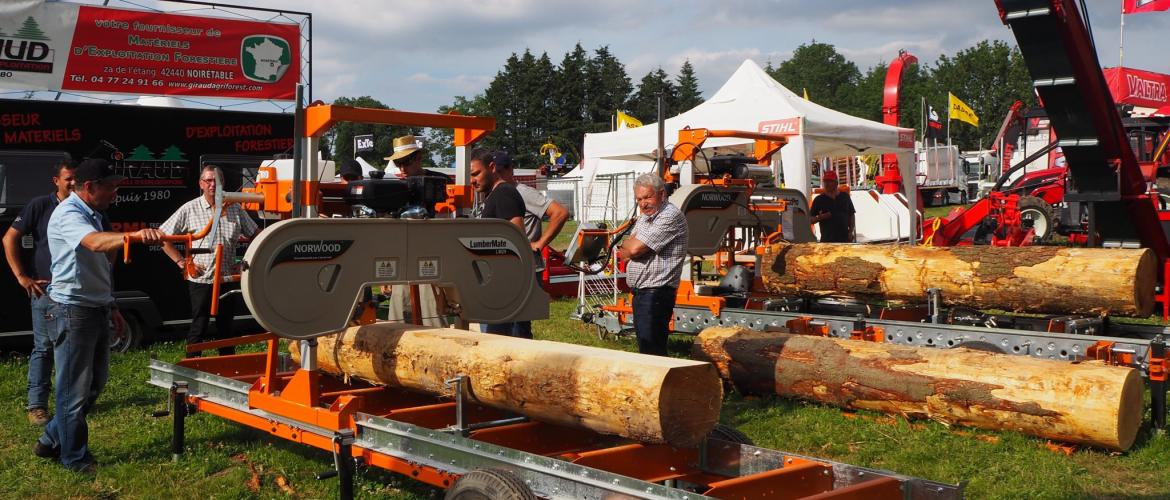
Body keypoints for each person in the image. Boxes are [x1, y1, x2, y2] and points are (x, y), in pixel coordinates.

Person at [36, 158, 165, 473]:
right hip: (71, 310)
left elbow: (100, 267)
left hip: (93, 307)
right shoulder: (69, 214)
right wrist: (132, 237)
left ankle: (51, 439)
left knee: (93, 385)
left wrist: (111, 305)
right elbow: (94, 245)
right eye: (111, 186)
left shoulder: (94, 214)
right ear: (91, 187)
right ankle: (75, 459)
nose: (115, 193)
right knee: (73, 390)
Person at [3, 160, 75, 426]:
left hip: (77, 292)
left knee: (72, 350)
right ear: (56, 180)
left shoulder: (86, 207)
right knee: (44, 348)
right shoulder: (41, 205)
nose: (72, 183)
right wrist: (22, 277)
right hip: (47, 292)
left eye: (76, 178)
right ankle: (37, 406)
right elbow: (9, 238)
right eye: (67, 178)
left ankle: (71, 402)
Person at [159, 165, 259, 356]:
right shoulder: (190, 209)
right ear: (201, 184)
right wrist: (182, 263)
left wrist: (246, 260)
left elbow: (256, 234)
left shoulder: (235, 208)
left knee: (226, 327)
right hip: (202, 279)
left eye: (217, 181)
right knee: (200, 325)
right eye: (209, 180)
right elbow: (163, 237)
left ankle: (229, 369)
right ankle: (191, 366)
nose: (213, 185)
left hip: (226, 279)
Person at [617, 173, 688, 356]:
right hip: (643, 293)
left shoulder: (669, 216)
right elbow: (628, 246)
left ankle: (663, 384)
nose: (643, 203)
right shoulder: (645, 218)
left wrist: (630, 248)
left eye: (648, 197)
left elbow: (632, 250)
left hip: (655, 293)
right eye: (639, 199)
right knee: (646, 347)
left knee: (652, 352)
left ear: (662, 194)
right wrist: (629, 247)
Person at [469, 148, 530, 338]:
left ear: (492, 167)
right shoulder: (494, 195)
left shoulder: (504, 193)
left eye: (476, 173)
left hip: (505, 290)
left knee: (505, 347)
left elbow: (517, 236)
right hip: (499, 286)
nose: (473, 180)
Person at [490, 151, 570, 274]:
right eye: (494, 172)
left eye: (501, 171)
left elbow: (560, 213)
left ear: (511, 170)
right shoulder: (493, 194)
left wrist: (539, 244)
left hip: (527, 270)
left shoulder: (523, 193)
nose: (497, 175)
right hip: (505, 268)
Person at [810, 169, 855, 243]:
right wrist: (820, 217)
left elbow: (851, 215)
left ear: (836, 183)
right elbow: (810, 220)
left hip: (845, 241)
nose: (826, 184)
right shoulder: (819, 200)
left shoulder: (845, 197)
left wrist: (851, 232)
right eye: (825, 181)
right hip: (827, 242)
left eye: (829, 181)